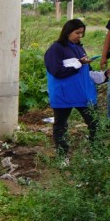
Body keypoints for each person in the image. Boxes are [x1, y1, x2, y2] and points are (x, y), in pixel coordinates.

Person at [44, 18, 99, 156]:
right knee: (61, 126)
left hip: (82, 94)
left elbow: (87, 71)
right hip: (63, 95)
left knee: (95, 124)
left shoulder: (79, 48)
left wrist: (104, 75)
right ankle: (63, 156)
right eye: (77, 33)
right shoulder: (55, 49)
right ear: (67, 32)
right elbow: (56, 71)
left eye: (82, 33)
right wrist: (78, 63)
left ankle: (96, 153)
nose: (79, 36)